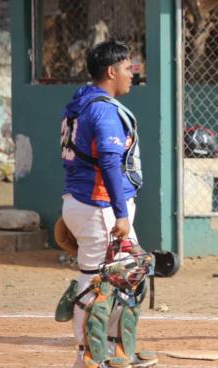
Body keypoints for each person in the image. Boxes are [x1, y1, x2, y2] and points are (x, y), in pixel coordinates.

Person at [60, 40, 157, 368]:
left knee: (129, 274)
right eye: (128, 68)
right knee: (96, 284)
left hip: (87, 203)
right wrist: (119, 213)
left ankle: (117, 351)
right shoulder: (102, 108)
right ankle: (87, 355)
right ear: (111, 71)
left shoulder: (83, 101)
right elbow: (110, 163)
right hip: (100, 206)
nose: (132, 74)